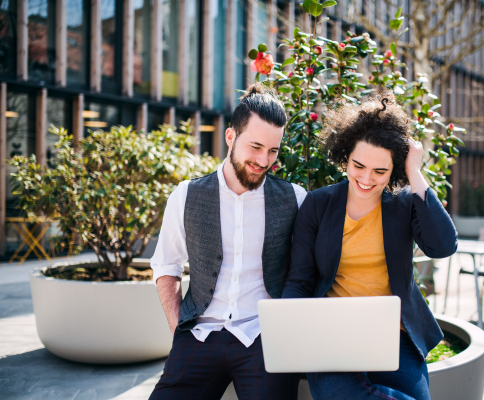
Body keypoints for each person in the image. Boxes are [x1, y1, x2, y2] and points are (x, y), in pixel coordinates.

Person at [281, 93, 457, 400]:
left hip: (393, 336)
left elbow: (442, 245)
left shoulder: (403, 203)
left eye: (380, 171)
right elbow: (299, 279)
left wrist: (415, 172)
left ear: (395, 171)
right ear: (346, 155)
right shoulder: (318, 204)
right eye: (358, 166)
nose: (365, 179)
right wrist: (294, 331)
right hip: (331, 334)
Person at [149, 84, 306, 400]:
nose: (264, 160)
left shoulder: (295, 198)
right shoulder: (186, 195)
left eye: (273, 151)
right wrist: (177, 329)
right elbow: (166, 265)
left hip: (263, 336)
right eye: (256, 147)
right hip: (198, 333)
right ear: (231, 137)